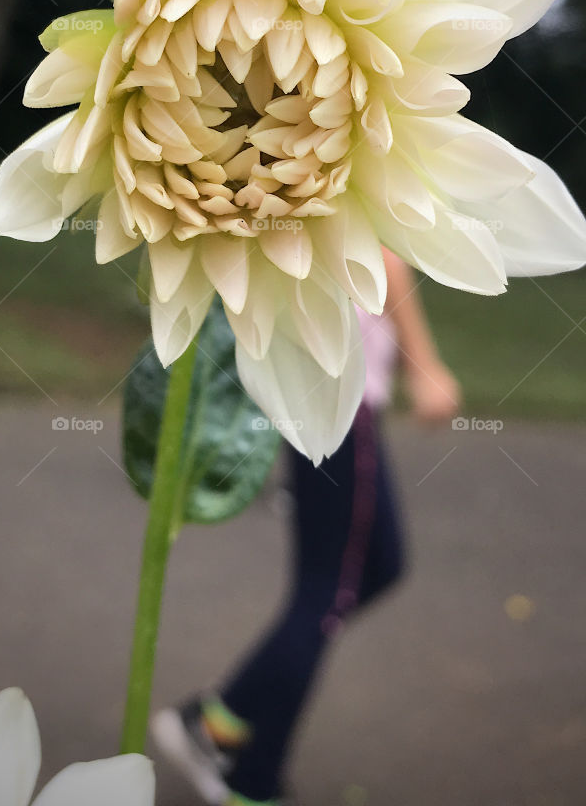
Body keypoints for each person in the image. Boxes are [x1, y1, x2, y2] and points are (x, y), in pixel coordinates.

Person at [152, 248, 463, 806]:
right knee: (325, 595)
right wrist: (425, 364)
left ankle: (222, 721)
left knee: (378, 567)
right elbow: (386, 257)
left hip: (325, 393)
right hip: (336, 401)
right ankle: (250, 779)